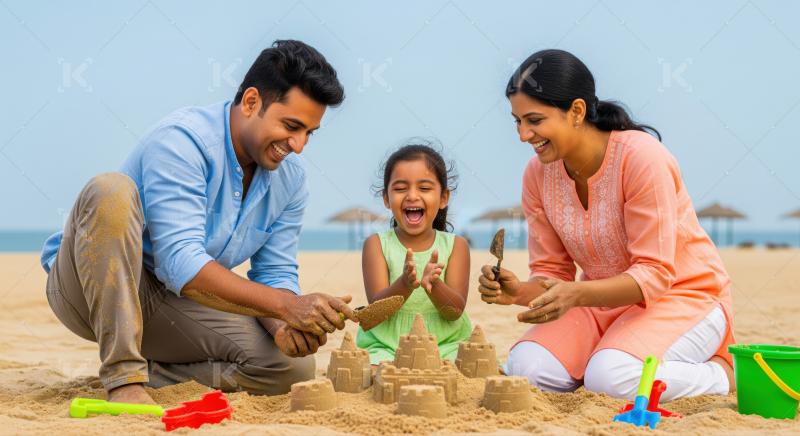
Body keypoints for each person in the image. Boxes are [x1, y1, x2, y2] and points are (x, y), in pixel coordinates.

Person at [40, 40, 357, 405]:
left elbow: (275, 275)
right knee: (110, 190)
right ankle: (124, 380)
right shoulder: (183, 141)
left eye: (308, 133)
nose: (299, 145)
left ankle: (153, 376)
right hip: (87, 286)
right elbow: (181, 264)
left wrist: (283, 325)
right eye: (291, 126)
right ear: (252, 102)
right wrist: (287, 306)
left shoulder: (291, 180)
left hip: (171, 300)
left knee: (289, 368)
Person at [478, 49, 735, 400]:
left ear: (577, 111)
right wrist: (518, 293)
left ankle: (721, 376)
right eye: (517, 121)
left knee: (611, 377)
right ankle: (610, 352)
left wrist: (577, 295)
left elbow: (655, 274)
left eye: (534, 120)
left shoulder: (642, 159)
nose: (524, 135)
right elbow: (553, 272)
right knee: (527, 367)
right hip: (597, 302)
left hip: (685, 296)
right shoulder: (537, 175)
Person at [357, 143, 472, 363]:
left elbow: (454, 311)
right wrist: (405, 284)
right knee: (373, 367)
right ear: (386, 198)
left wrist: (435, 285)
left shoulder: (456, 246)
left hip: (445, 342)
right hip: (388, 343)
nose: (412, 196)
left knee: (468, 362)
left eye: (425, 188)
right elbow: (376, 311)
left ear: (443, 198)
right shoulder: (376, 245)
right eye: (400, 188)